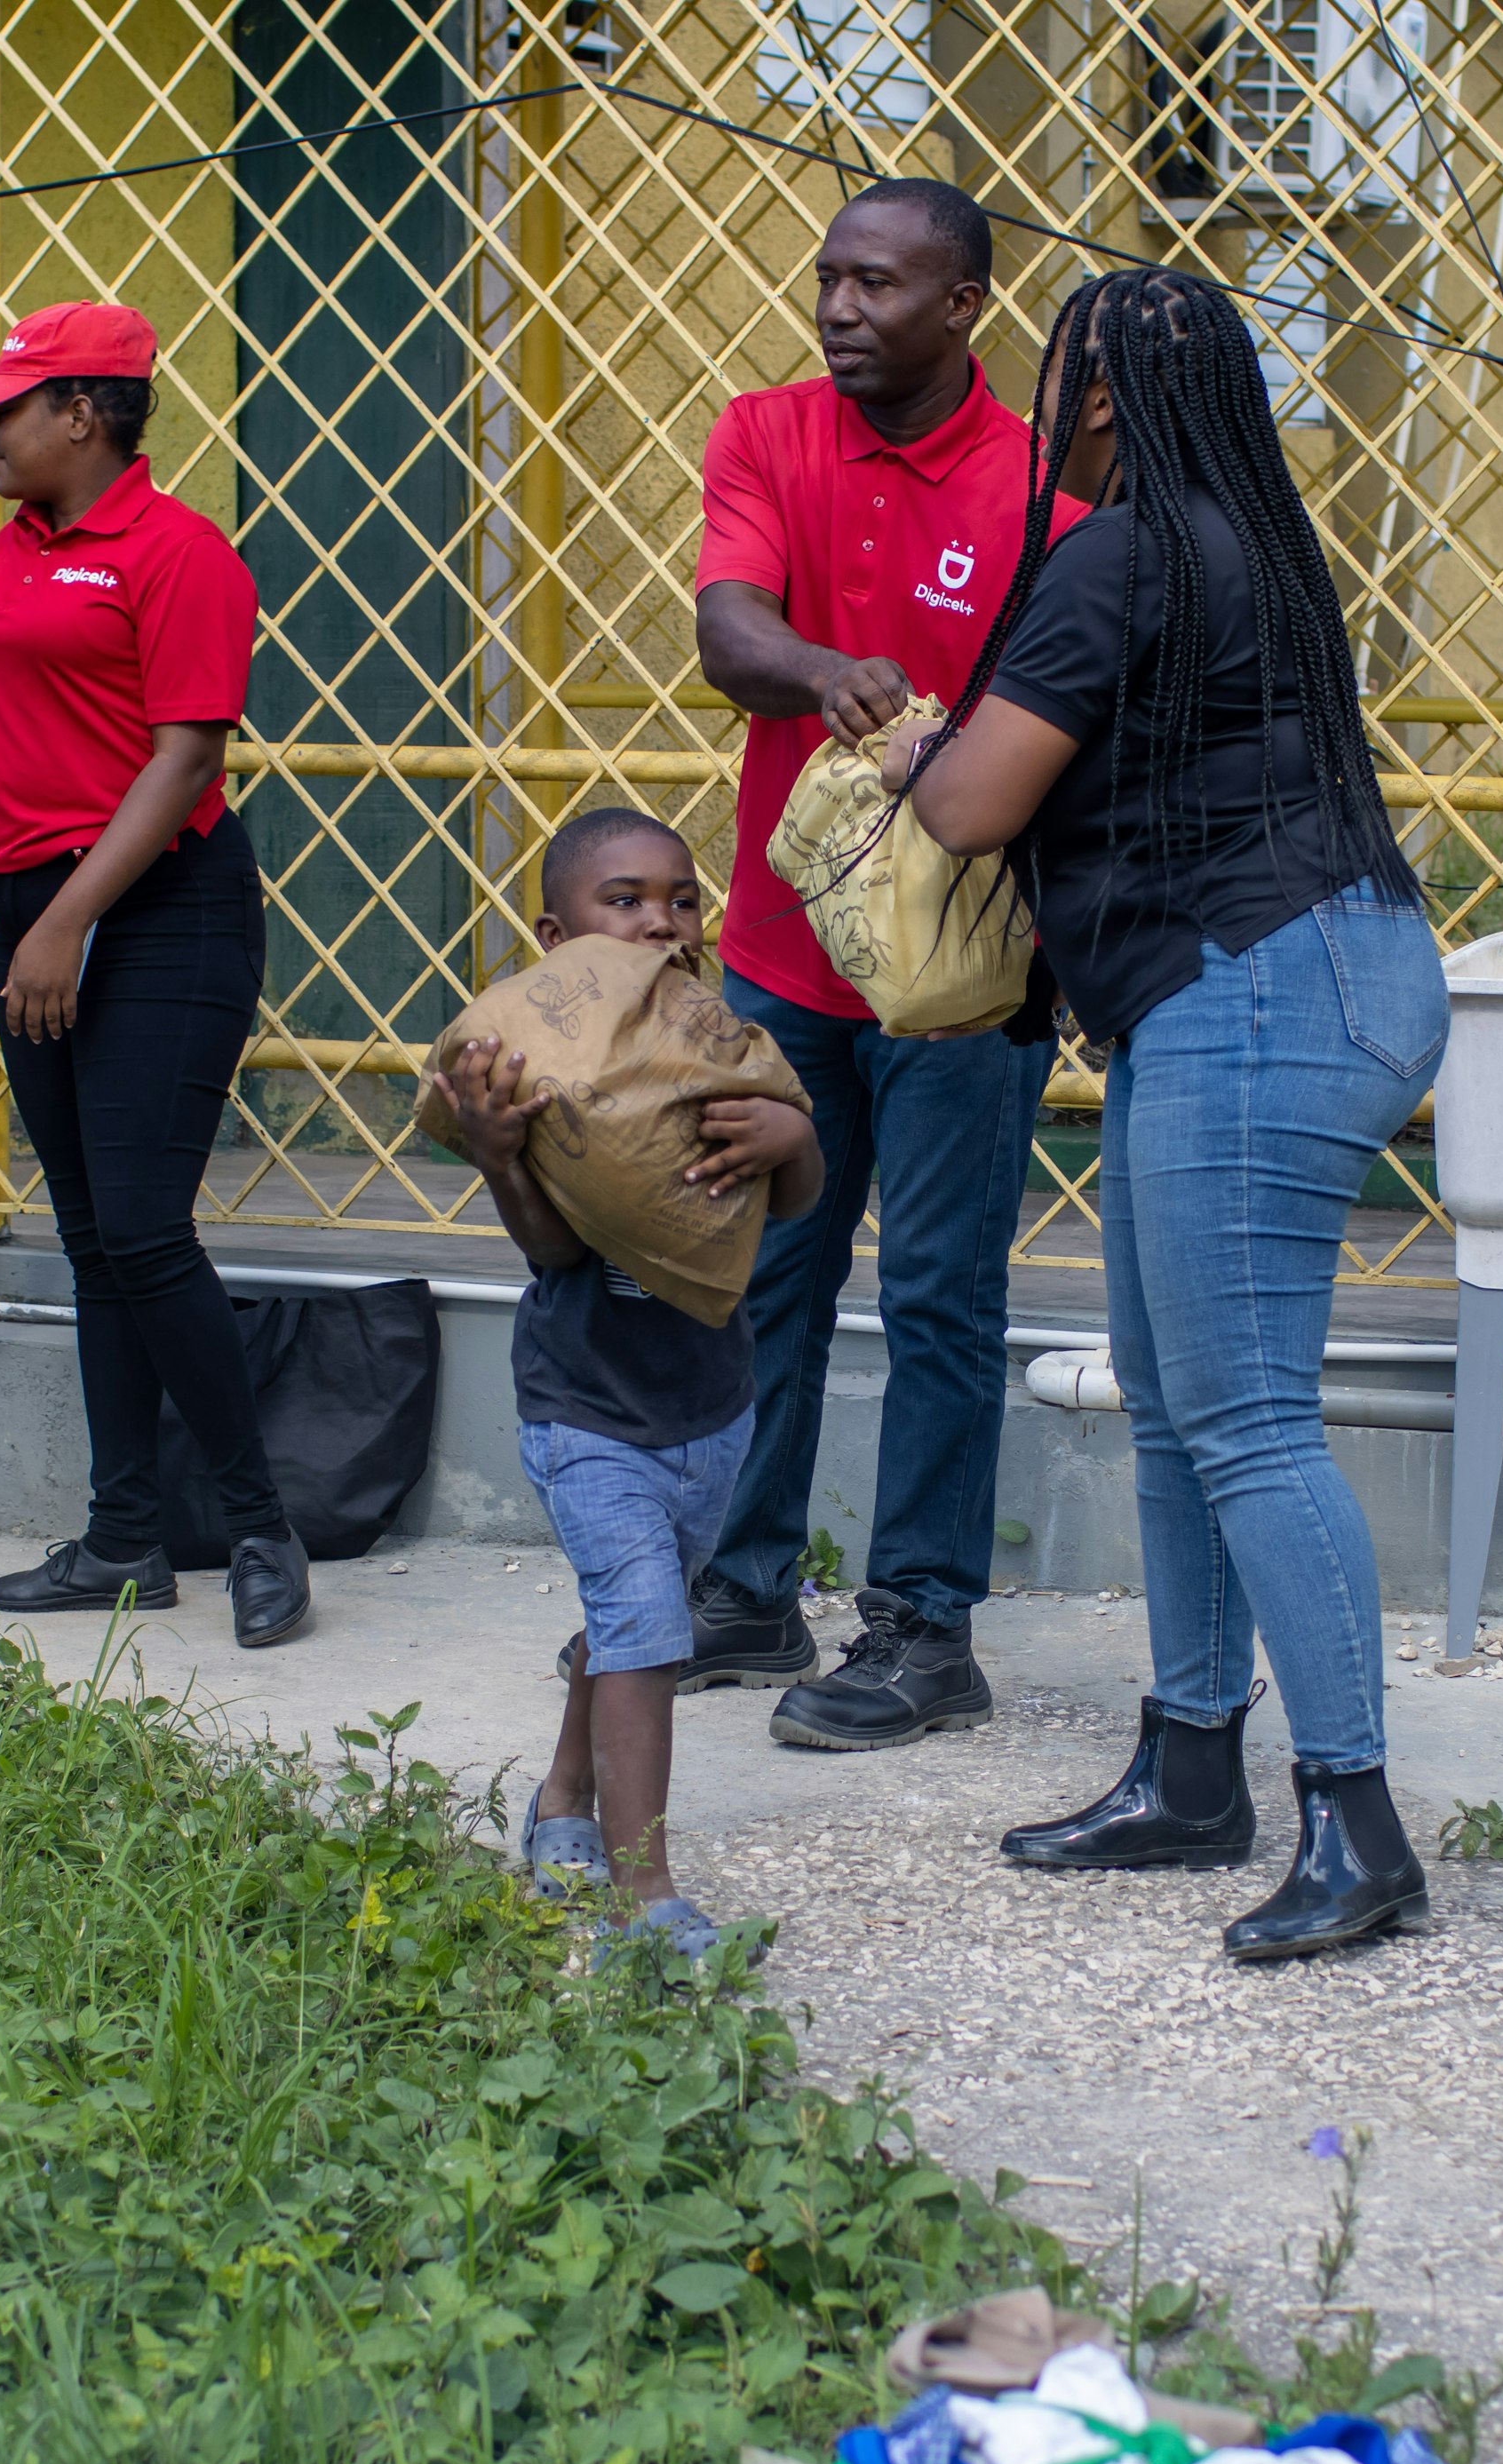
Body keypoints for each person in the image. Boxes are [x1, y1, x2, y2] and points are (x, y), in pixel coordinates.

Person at [905, 266, 1449, 1961]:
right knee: (1177, 1405)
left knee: (1249, 1419)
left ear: (1096, 401)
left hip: (1258, 982)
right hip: (1280, 973)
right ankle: (1189, 1767)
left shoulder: (1124, 549)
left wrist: (917, 746)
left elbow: (981, 799)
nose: (1037, 402)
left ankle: (1357, 1828)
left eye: (1055, 376)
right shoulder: (1255, 547)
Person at [689, 176, 1075, 1748]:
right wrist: (821, 666)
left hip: (967, 981)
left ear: (965, 302)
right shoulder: (767, 431)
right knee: (763, 1269)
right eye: (831, 278)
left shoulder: (1046, 489)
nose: (843, 308)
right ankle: (745, 1587)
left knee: (936, 1294)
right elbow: (729, 634)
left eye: (880, 286)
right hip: (787, 958)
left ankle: (924, 1625)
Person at [0, 301, 311, 1644]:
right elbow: (19, 764)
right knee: (89, 1240)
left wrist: (63, 920)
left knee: (141, 1227)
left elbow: (184, 759)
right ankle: (123, 1536)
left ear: (86, 413)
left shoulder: (181, 554)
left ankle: (259, 1526)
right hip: (41, 912)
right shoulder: (15, 554)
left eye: (10, 411)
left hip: (163, 915)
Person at [429, 807, 824, 1960]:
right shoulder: (538, 1065)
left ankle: (560, 1804)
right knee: (649, 1632)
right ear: (559, 934)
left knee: (625, 1631)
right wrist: (502, 1155)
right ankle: (643, 1896)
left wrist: (785, 1138)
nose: (661, 919)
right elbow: (556, 1254)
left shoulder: (713, 1039)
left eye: (681, 897)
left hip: (711, 1413)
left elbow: (794, 1206)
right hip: (589, 1411)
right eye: (627, 900)